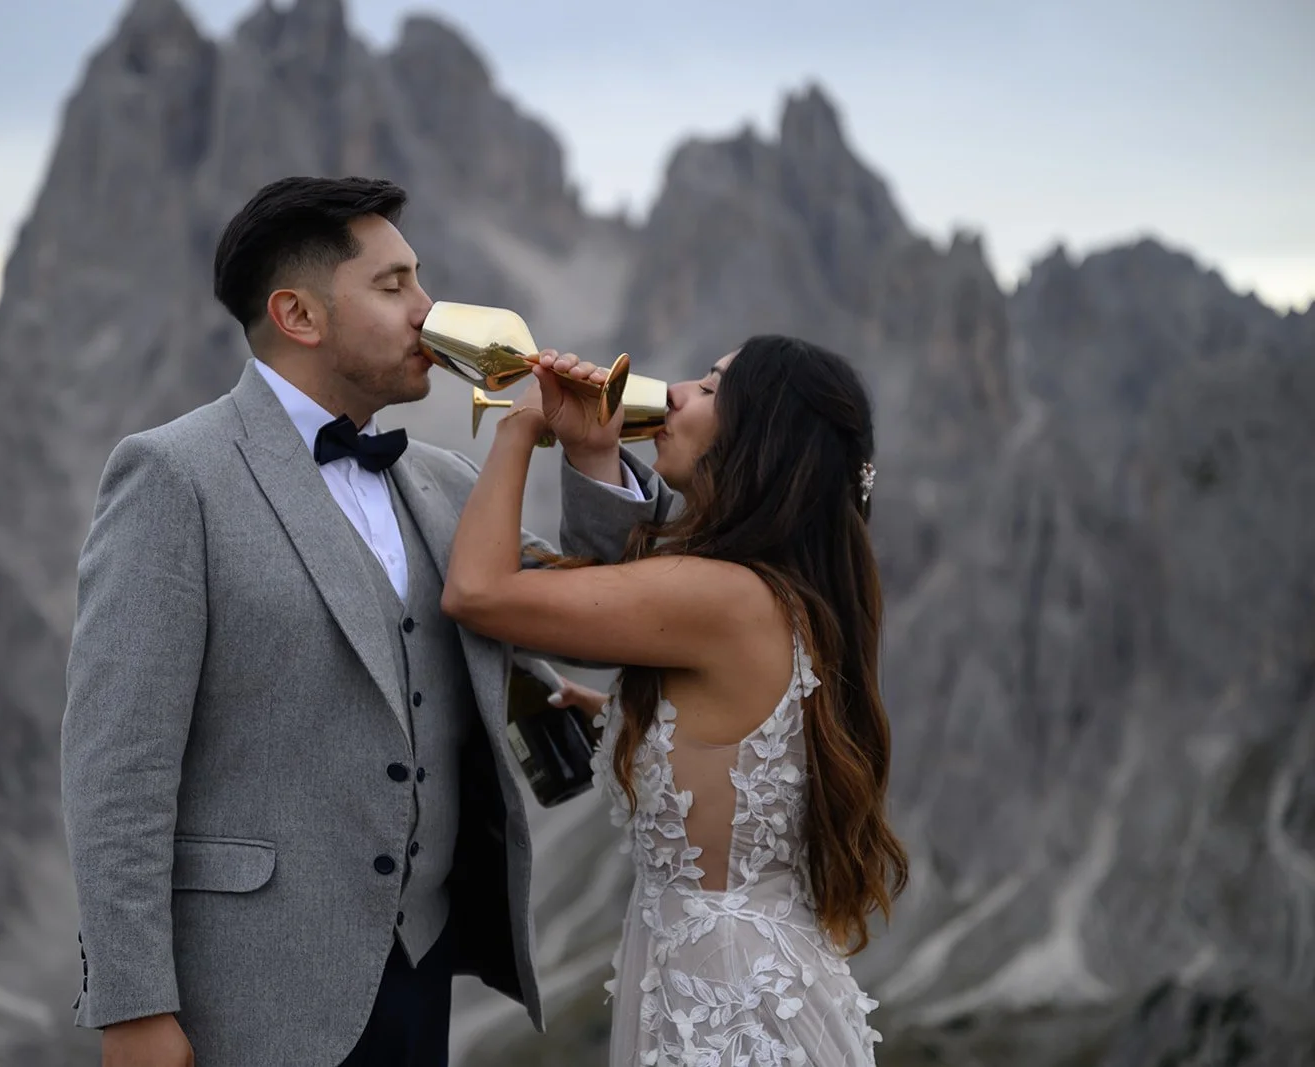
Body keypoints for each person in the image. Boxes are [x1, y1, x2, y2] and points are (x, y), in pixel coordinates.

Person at [58, 175, 652, 1067]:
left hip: (422, 978)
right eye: (394, 285)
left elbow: (599, 619)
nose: (428, 310)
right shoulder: (173, 476)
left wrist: (593, 454)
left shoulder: (450, 483)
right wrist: (134, 1005)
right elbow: (118, 763)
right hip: (244, 1000)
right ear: (298, 315)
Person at [441, 337, 910, 1066]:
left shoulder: (722, 595)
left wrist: (521, 426)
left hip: (726, 1005)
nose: (678, 393)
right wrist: (595, 456)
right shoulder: (781, 592)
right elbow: (724, 752)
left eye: (713, 387)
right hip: (732, 981)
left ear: (762, 437)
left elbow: (476, 591)